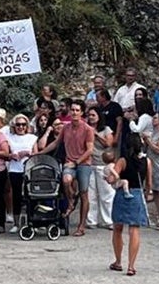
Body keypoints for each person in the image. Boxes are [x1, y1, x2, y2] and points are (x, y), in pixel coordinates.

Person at [39, 99, 94, 237]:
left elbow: (90, 150)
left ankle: (81, 226)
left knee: (84, 193)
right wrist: (39, 153)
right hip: (69, 161)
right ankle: (71, 201)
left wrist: (77, 162)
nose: (74, 113)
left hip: (83, 163)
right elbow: (56, 143)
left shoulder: (87, 129)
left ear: (81, 112)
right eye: (73, 110)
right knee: (66, 180)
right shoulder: (66, 127)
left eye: (77, 110)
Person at [108, 133, 151, 276]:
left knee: (118, 228)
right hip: (137, 194)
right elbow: (148, 184)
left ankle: (118, 261)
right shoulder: (147, 162)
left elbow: (111, 179)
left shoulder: (122, 160)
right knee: (134, 229)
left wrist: (111, 171)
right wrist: (147, 193)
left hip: (122, 194)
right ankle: (131, 265)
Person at [7, 114, 37, 233]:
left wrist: (27, 153)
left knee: (30, 195)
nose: (21, 127)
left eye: (23, 125)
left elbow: (36, 154)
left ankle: (33, 220)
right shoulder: (9, 137)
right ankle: (16, 222)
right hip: (14, 168)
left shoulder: (32, 137)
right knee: (16, 196)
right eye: (18, 124)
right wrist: (12, 155)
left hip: (29, 168)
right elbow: (6, 153)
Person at [86, 106, 114, 229]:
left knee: (106, 194)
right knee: (90, 195)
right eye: (89, 115)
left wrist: (95, 134)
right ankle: (91, 220)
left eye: (93, 115)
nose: (91, 118)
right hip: (90, 164)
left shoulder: (106, 129)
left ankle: (108, 220)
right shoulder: (85, 128)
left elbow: (109, 144)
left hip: (103, 164)